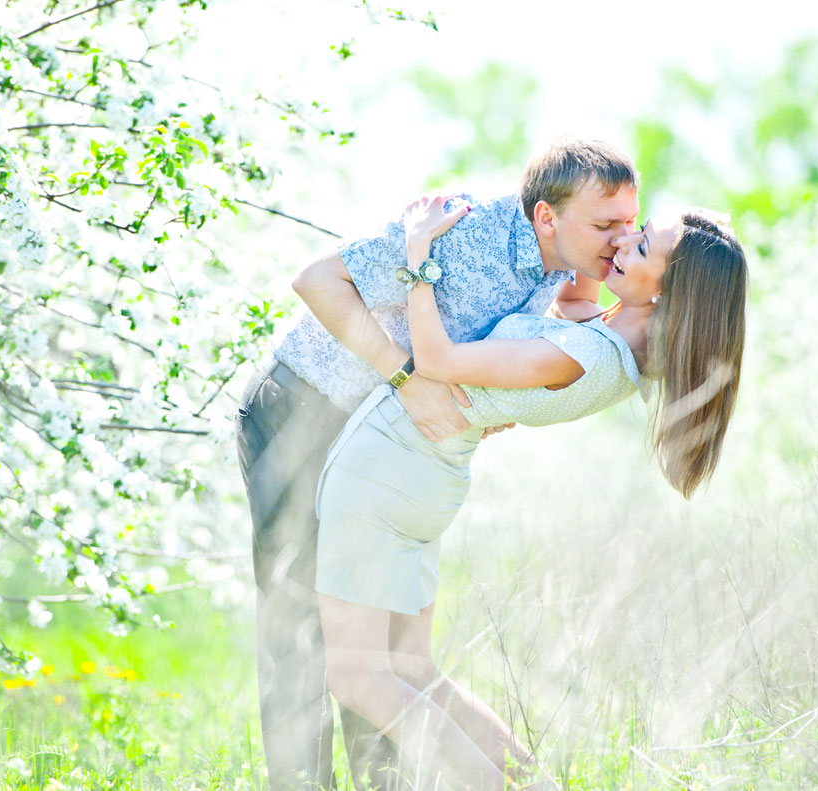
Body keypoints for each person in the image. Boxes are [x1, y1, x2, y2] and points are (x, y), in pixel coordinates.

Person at [235, 138, 639, 791]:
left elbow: (571, 315)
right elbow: (316, 279)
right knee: (301, 621)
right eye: (606, 225)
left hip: (383, 446)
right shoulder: (461, 229)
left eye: (630, 222)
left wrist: (497, 395)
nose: (623, 238)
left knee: (379, 642)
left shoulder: (571, 258)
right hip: (304, 412)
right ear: (546, 217)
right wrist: (408, 378)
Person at [312, 196, 748, 790]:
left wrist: (419, 254)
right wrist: (587, 239)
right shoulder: (617, 337)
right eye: (629, 230)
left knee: (359, 677)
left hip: (388, 471)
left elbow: (436, 360)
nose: (623, 242)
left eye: (640, 245)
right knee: (413, 670)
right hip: (422, 475)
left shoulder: (588, 356)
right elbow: (573, 298)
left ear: (670, 293)